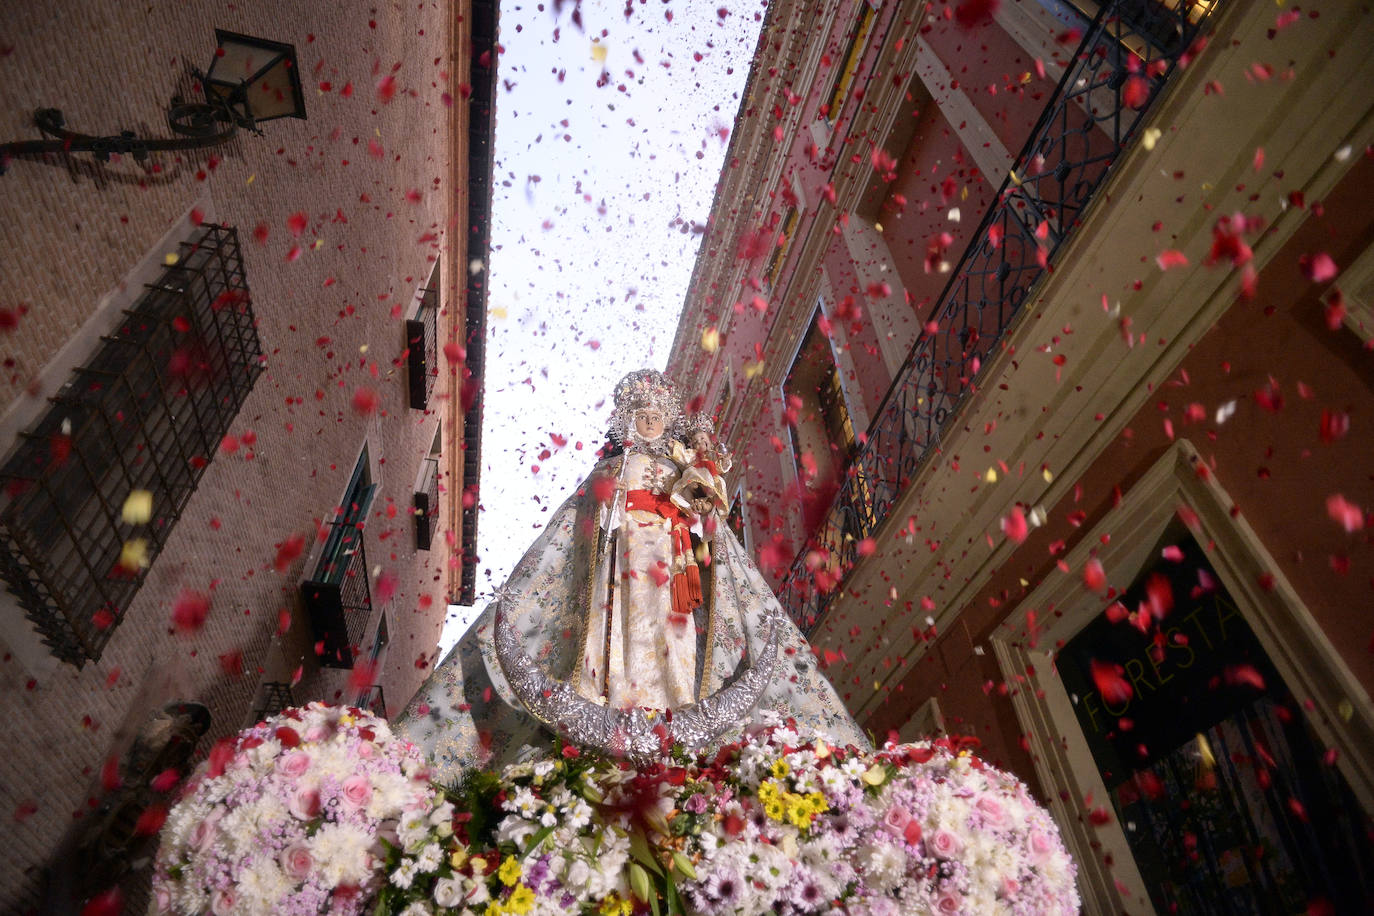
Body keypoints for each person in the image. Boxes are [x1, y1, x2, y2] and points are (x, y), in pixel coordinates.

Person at [397, 369, 867, 780]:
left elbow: (706, 512)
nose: (649, 420)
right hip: (619, 563)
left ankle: (677, 699)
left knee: (673, 631)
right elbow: (582, 523)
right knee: (616, 623)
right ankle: (610, 693)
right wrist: (608, 505)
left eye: (656, 414)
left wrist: (699, 500)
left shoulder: (678, 463)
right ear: (628, 422)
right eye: (640, 413)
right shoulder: (614, 465)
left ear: (667, 422)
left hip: (670, 558)